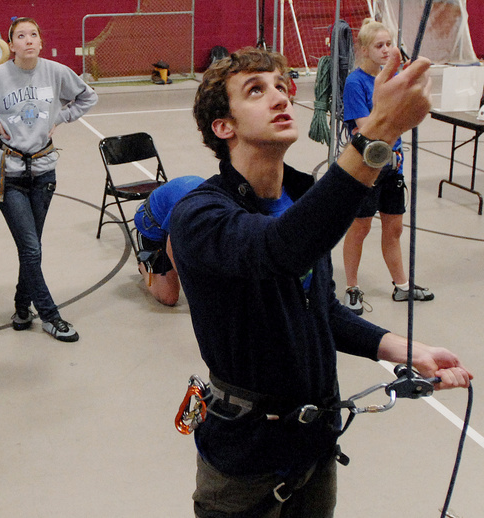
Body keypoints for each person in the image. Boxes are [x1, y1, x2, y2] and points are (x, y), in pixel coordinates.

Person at [169, 47, 472, 517]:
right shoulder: (199, 215)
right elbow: (277, 251)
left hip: (314, 445)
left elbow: (320, 308)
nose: (280, 97)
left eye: (282, 84)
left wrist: (401, 348)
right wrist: (380, 130)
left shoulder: (300, 197)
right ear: (223, 127)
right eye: (256, 90)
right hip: (246, 463)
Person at [0, 17, 98, 342]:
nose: (28, 40)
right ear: (11, 44)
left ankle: (21, 306)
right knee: (31, 249)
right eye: (21, 36)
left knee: (31, 248)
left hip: (44, 171)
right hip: (9, 175)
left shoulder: (56, 72)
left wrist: (59, 116)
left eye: (34, 35)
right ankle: (50, 315)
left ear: (41, 42)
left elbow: (87, 97)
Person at [342, 19, 434, 315]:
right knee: (360, 227)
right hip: (368, 168)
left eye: (388, 44)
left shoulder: (389, 77)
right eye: (379, 46)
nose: (385, 50)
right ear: (365, 49)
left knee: (394, 228)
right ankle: (352, 287)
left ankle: (402, 286)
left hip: (393, 168)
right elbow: (363, 128)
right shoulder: (356, 83)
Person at [134, 175, 204, 306]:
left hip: (182, 215)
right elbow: (170, 249)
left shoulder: (224, 208)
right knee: (169, 297)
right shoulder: (185, 211)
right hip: (152, 226)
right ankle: (144, 267)